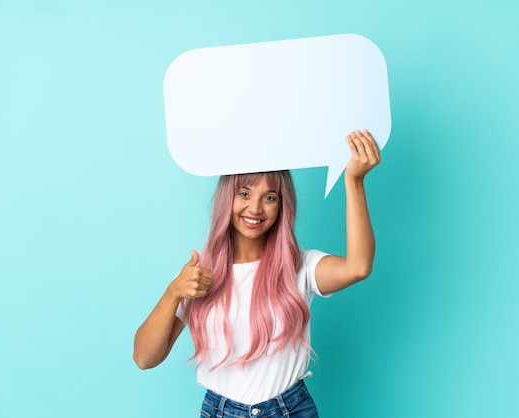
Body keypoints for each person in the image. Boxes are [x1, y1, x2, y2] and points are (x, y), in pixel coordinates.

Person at [133, 129, 381, 417]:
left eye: (270, 197)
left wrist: (354, 180)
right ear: (228, 197)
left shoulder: (300, 267)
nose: (255, 208)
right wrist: (173, 291)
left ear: (282, 206)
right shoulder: (200, 278)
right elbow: (144, 357)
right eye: (244, 193)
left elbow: (359, 266)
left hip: (291, 409)